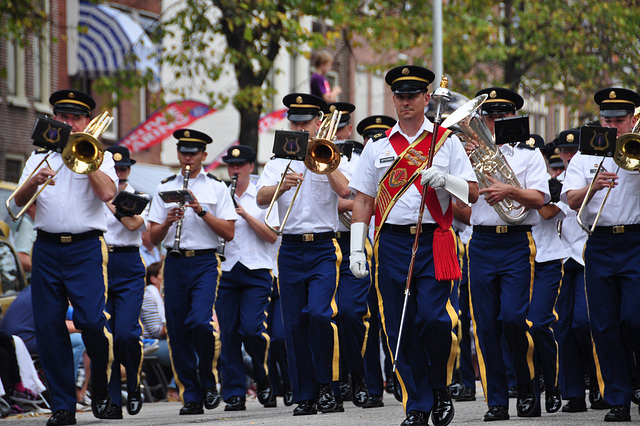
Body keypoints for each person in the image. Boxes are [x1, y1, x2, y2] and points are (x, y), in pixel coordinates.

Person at [349, 65, 479, 426]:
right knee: (399, 326)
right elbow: (363, 200)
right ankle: (418, 405)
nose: (405, 102)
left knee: (435, 320)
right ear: (393, 99)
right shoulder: (377, 147)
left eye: (413, 96)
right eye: (400, 96)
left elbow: (472, 192)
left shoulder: (445, 141)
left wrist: (445, 179)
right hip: (390, 243)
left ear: (426, 98)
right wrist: (357, 248)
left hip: (433, 239)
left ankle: (440, 385)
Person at [14, 89, 117, 425]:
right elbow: (15, 208)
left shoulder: (101, 156)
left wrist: (84, 159)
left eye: (75, 117)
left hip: (86, 247)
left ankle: (99, 386)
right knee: (47, 326)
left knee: (90, 320)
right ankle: (63, 406)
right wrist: (33, 182)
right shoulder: (36, 158)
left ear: (87, 122)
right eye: (62, 116)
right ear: (53, 118)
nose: (68, 122)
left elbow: (108, 193)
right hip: (46, 248)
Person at [256, 92, 351, 416]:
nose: (298, 126)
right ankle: (305, 394)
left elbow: (345, 190)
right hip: (291, 249)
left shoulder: (331, 153)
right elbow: (260, 198)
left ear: (318, 123)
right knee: (294, 324)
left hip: (324, 246)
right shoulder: (278, 160)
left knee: (321, 314)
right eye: (294, 121)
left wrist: (322, 161)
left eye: (304, 122)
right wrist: (282, 185)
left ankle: (328, 386)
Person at [465, 87, 550, 421]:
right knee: (485, 325)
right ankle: (496, 401)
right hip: (482, 242)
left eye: (501, 115)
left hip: (516, 242)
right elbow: (466, 197)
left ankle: (527, 386)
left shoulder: (528, 154)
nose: (494, 121)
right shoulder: (468, 152)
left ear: (512, 117)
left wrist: (510, 189)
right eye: (489, 116)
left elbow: (540, 198)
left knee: (514, 318)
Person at [562, 87, 640, 422]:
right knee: (604, 325)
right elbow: (570, 200)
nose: (612, 127)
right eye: (606, 120)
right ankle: (619, 398)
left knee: (635, 319)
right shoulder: (584, 156)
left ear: (632, 120)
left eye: (618, 121)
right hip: (599, 243)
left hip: (635, 241)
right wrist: (593, 185)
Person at [147, 129, 237, 416]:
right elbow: (152, 237)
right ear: (178, 154)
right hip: (173, 262)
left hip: (205, 261)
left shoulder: (216, 187)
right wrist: (168, 221)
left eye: (194, 152)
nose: (188, 157)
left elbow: (229, 232)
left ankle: (209, 380)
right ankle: (191, 394)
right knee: (176, 329)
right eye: (183, 152)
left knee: (199, 321)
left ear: (203, 156)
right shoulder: (164, 187)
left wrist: (201, 211)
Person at [216, 145, 278, 411]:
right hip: (227, 269)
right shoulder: (220, 193)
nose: (235, 170)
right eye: (231, 165)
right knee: (228, 334)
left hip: (257, 269)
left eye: (240, 165)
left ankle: (262, 377)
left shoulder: (262, 195)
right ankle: (234, 393)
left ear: (251, 167)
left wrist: (245, 215)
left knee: (252, 329)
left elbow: (272, 235)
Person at [553, 128, 600, 413]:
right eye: (564, 152)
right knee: (563, 326)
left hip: (584, 255)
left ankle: (598, 381)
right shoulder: (553, 182)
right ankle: (573, 393)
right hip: (559, 257)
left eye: (573, 152)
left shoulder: (589, 173)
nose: (568, 157)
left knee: (585, 322)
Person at [328, 102, 372, 408]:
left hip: (350, 240)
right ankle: (334, 382)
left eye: (340, 126)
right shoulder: (307, 158)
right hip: (321, 244)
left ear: (348, 128)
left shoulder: (360, 159)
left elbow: (361, 198)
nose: (335, 132)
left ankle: (357, 376)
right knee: (323, 317)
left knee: (350, 314)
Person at [355, 115, 398, 408]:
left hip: (399, 242)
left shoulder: (400, 150)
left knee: (396, 319)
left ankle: (396, 375)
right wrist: (358, 248)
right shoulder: (370, 154)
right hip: (373, 246)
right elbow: (362, 199)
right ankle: (373, 386)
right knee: (370, 318)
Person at [101, 145, 147, 419]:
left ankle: (134, 381)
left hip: (129, 264)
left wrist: (109, 199)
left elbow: (133, 225)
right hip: (102, 263)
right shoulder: (92, 194)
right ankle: (112, 400)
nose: (120, 173)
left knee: (126, 333)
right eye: (115, 169)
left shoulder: (138, 195)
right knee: (106, 335)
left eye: (124, 169)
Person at [526, 134, 565, 414]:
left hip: (547, 262)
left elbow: (549, 212)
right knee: (515, 324)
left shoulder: (556, 186)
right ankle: (528, 384)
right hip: (519, 261)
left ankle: (552, 385)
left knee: (539, 324)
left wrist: (522, 194)